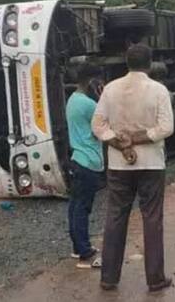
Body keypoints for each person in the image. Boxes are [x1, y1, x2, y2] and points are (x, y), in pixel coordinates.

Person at [92, 43, 174, 292]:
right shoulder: (158, 90)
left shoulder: (110, 89)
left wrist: (119, 142)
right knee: (152, 219)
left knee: (115, 217)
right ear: (149, 64)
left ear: (126, 63)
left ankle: (108, 278)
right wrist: (138, 138)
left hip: (118, 165)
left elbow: (98, 125)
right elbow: (166, 128)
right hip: (151, 164)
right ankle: (155, 279)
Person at [66, 63, 104, 269]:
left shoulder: (72, 100)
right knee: (82, 208)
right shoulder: (89, 105)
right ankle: (84, 253)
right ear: (91, 81)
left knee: (75, 206)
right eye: (98, 80)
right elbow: (106, 121)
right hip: (88, 161)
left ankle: (77, 247)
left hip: (77, 159)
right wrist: (101, 96)